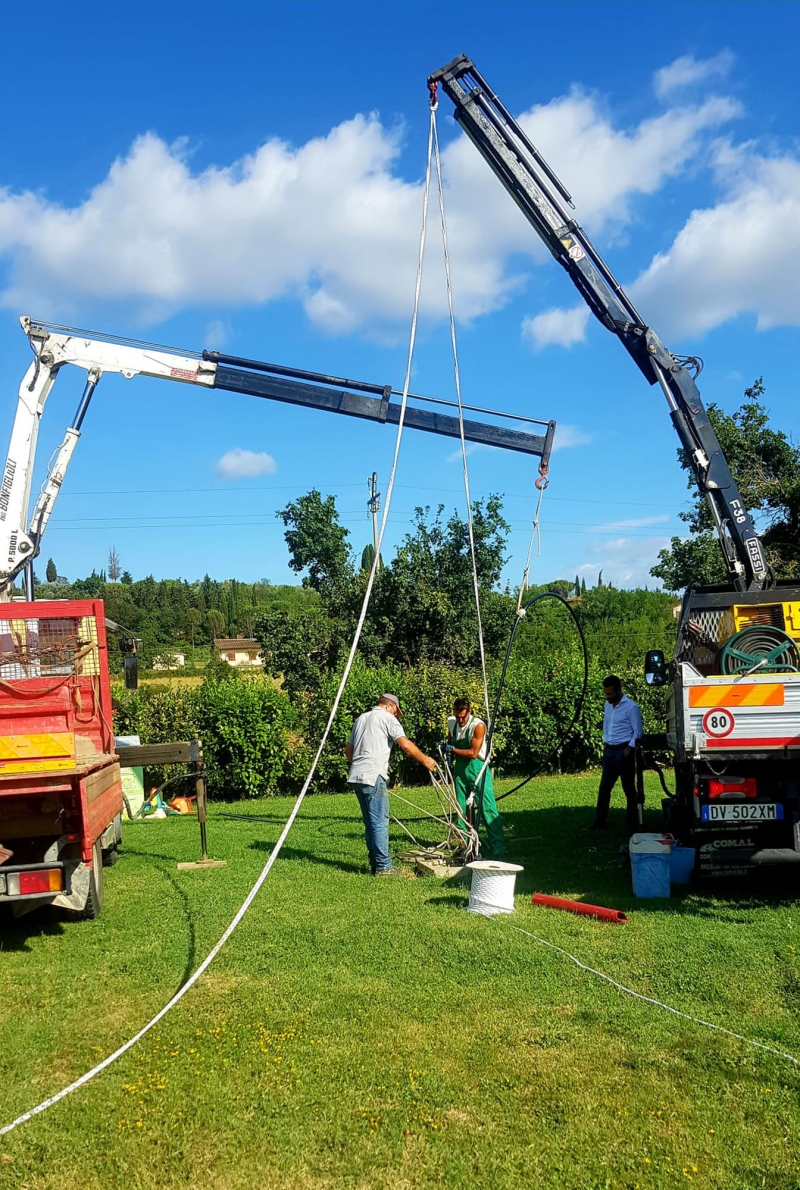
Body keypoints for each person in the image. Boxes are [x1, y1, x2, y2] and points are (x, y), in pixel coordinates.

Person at [345, 694, 436, 876]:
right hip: (373, 775)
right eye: (396, 711)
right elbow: (405, 746)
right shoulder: (387, 719)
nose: (396, 715)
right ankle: (384, 867)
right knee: (379, 821)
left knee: (370, 823)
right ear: (390, 706)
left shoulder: (361, 718)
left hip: (356, 775)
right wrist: (425, 760)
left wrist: (360, 765)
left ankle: (375, 864)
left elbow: (348, 750)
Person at [446, 697, 505, 859]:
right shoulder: (452, 723)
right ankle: (464, 844)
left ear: (469, 712)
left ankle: (497, 845)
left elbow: (473, 753)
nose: (460, 720)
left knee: (487, 807)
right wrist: (447, 755)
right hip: (460, 769)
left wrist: (452, 749)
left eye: (463, 717)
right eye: (457, 716)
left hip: (477, 767)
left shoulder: (477, 726)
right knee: (460, 808)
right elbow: (451, 741)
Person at [591, 675, 643, 832]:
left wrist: (629, 748)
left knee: (628, 788)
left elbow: (638, 731)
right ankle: (600, 821)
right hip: (610, 750)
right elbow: (607, 724)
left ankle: (632, 821)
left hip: (623, 750)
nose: (608, 697)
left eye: (610, 694)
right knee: (604, 787)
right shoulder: (608, 705)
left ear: (618, 690)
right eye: (606, 693)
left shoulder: (631, 707)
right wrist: (605, 741)